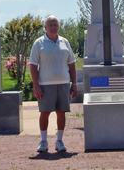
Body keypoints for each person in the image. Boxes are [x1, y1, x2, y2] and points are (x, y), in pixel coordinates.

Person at [29, 15, 77, 152]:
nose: (53, 27)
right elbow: (32, 65)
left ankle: (59, 141)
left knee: (61, 112)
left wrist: (74, 84)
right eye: (50, 24)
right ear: (45, 27)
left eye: (55, 24)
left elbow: (72, 65)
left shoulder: (65, 42)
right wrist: (36, 85)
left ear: (58, 26)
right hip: (45, 85)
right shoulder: (39, 43)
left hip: (63, 84)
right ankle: (44, 142)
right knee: (45, 112)